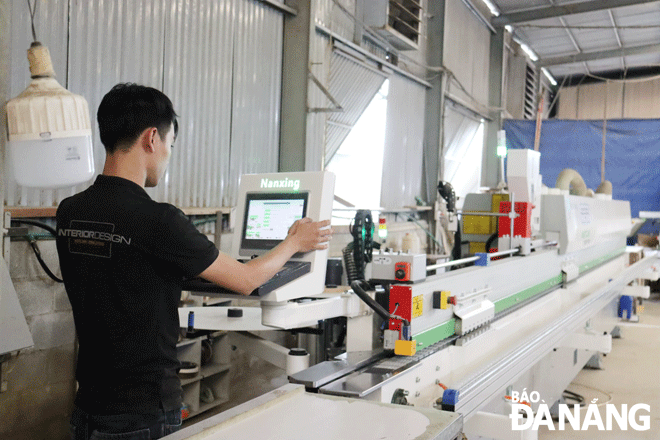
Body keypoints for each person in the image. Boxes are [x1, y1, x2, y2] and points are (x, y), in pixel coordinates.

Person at [56, 83, 332, 440]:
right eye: (170, 144)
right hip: (143, 413)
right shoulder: (159, 221)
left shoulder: (70, 212)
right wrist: (294, 242)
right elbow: (246, 279)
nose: (168, 155)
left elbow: (123, 274)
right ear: (152, 138)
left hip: (88, 408)